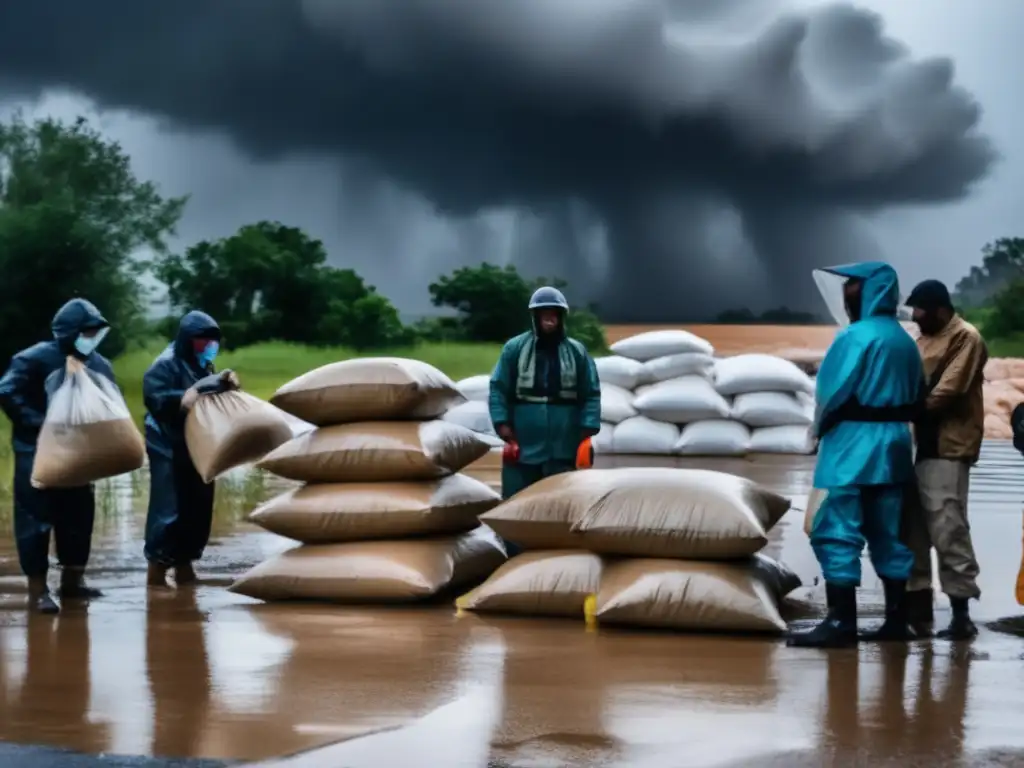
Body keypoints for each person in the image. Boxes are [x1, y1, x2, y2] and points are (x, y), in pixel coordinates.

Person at [789, 262, 924, 648]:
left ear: (867, 293)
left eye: (851, 289)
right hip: (895, 447)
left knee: (835, 529)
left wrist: (817, 429)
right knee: (887, 533)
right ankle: (897, 621)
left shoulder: (855, 337)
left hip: (851, 447)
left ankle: (841, 622)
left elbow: (831, 392)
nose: (847, 297)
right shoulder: (904, 340)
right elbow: (918, 394)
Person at [0, 299, 115, 614]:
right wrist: (40, 423)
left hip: (80, 456)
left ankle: (73, 583)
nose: (91, 337)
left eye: (95, 332)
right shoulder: (33, 359)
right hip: (36, 452)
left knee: (78, 519)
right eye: (86, 331)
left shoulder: (98, 363)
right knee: (35, 520)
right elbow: (7, 392)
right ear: (69, 331)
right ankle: (38, 590)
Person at [904, 279, 986, 639]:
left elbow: (948, 390)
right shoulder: (922, 338)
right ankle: (919, 611)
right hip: (919, 446)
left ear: (940, 310)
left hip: (948, 447)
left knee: (948, 527)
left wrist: (904, 409)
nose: (917, 319)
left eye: (921, 312)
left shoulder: (966, 337)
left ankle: (961, 614)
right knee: (913, 532)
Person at [142, 310, 239, 587]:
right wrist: (181, 398)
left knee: (197, 506)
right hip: (167, 444)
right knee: (169, 507)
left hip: (196, 443)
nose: (208, 345)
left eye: (212, 340)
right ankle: (157, 574)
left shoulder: (201, 364)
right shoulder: (166, 364)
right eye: (202, 340)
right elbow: (154, 396)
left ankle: (185, 568)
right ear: (187, 339)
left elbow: (205, 392)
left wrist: (223, 382)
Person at [488, 286, 601, 509]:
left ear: (561, 317)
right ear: (535, 317)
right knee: (516, 502)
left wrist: (587, 431)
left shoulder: (577, 352)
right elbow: (498, 388)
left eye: (554, 314)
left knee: (562, 501)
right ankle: (514, 544)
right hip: (523, 441)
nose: (549, 319)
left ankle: (557, 542)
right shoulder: (515, 348)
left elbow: (591, 393)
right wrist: (503, 426)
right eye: (544, 314)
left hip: (565, 441)